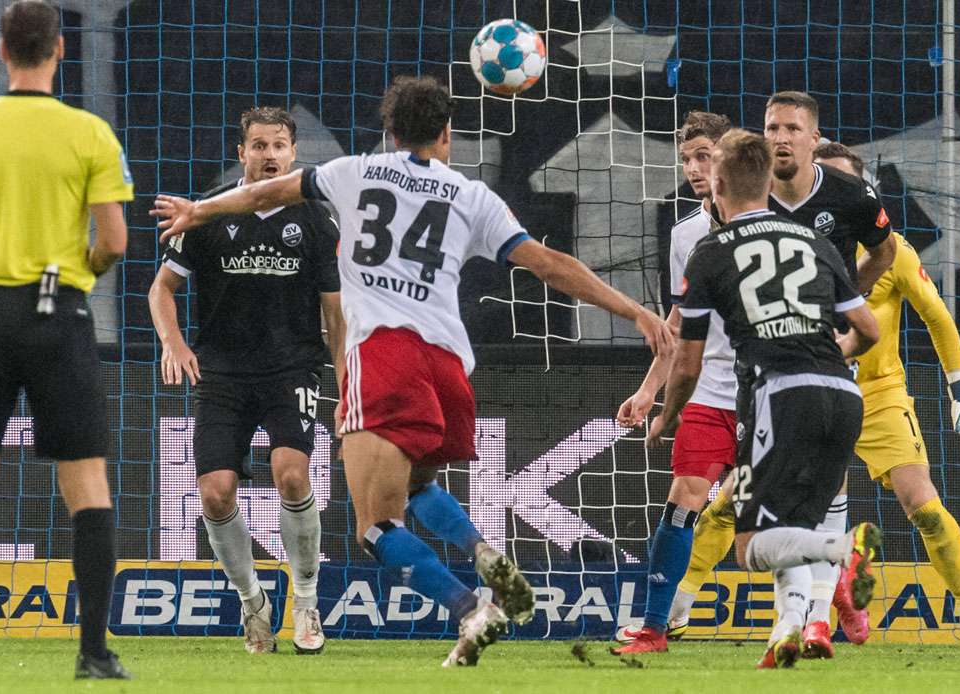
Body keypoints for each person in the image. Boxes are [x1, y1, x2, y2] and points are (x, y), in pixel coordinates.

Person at [151, 75, 674, 667]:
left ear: (388, 131)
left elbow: (260, 197)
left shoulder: (352, 173)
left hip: (384, 357)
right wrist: (633, 309)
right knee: (420, 485)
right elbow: (548, 264)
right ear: (447, 134)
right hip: (449, 364)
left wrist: (199, 209)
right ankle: (484, 555)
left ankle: (467, 607)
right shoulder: (470, 194)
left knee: (375, 527)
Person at [0, 1, 133, 680]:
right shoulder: (89, 133)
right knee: (88, 485)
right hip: (60, 315)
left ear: (3, 52)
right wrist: (81, 273)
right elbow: (116, 242)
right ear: (60, 50)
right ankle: (93, 655)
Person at [663, 91, 902, 657]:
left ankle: (844, 551)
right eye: (773, 128)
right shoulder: (813, 243)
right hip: (842, 390)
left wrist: (665, 412)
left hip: (775, 394)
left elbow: (687, 355)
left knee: (751, 542)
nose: (781, 136)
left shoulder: (711, 247)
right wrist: (832, 348)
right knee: (792, 516)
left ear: (721, 188)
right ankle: (791, 628)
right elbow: (867, 329)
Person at [148, 107, 342, 654]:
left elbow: (335, 309)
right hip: (223, 371)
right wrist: (174, 342)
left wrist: (345, 375)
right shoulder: (207, 213)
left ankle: (305, 601)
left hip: (292, 367)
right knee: (214, 493)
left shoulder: (315, 218)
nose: (269, 155)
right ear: (242, 154)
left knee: (292, 476)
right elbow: (161, 289)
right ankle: (252, 602)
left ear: (293, 152)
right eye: (258, 145)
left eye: (279, 144)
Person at [811, 142, 960, 648]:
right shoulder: (794, 251)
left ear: (865, 191)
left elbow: (937, 318)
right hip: (814, 392)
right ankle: (818, 611)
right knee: (797, 510)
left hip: (880, 394)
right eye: (826, 180)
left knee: (926, 508)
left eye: (846, 182)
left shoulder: (892, 252)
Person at [610, 111, 735, 654]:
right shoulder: (685, 234)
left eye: (703, 155)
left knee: (772, 519)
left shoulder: (777, 217)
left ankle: (825, 603)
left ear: (728, 155)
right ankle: (656, 628)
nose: (693, 168)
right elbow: (679, 327)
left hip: (770, 389)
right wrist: (649, 391)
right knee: (682, 502)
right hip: (710, 388)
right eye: (686, 159)